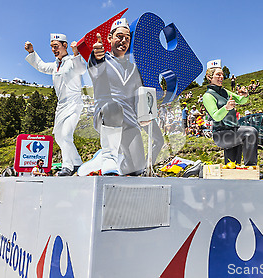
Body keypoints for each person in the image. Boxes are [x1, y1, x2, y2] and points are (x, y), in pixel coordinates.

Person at [87, 18, 163, 175]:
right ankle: (108, 157)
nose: (123, 41)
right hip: (107, 117)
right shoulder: (102, 60)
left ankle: (109, 162)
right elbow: (95, 67)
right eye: (119, 36)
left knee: (136, 168)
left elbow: (140, 99)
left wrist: (146, 115)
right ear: (109, 38)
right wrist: (97, 56)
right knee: (114, 108)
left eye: (127, 38)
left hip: (129, 123)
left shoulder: (134, 69)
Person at [25, 34, 87, 176]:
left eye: (56, 46)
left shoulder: (72, 60)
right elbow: (41, 66)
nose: (54, 50)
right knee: (59, 136)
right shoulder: (54, 66)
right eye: (52, 47)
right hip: (61, 106)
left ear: (65, 46)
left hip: (74, 103)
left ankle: (67, 166)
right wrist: (31, 52)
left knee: (66, 135)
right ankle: (77, 163)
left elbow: (81, 69)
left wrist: (76, 53)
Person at [202, 60, 258, 165]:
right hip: (221, 134)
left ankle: (232, 177)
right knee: (251, 132)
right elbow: (216, 117)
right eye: (218, 75)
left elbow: (241, 100)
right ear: (209, 77)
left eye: (222, 75)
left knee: (232, 165)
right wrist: (226, 108)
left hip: (233, 131)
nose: (221, 77)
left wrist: (245, 95)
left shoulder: (225, 92)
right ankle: (251, 167)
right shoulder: (208, 96)